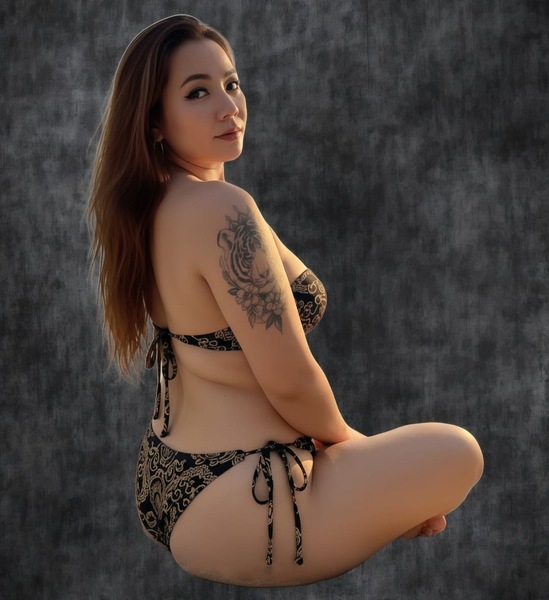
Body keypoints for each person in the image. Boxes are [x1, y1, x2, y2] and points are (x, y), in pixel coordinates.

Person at [87, 14, 484, 587]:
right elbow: (290, 381)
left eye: (231, 84)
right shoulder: (220, 210)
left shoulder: (156, 205)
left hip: (168, 476)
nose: (228, 106)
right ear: (154, 120)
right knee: (459, 453)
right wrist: (360, 454)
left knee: (415, 468)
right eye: (197, 93)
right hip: (250, 500)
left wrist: (380, 480)